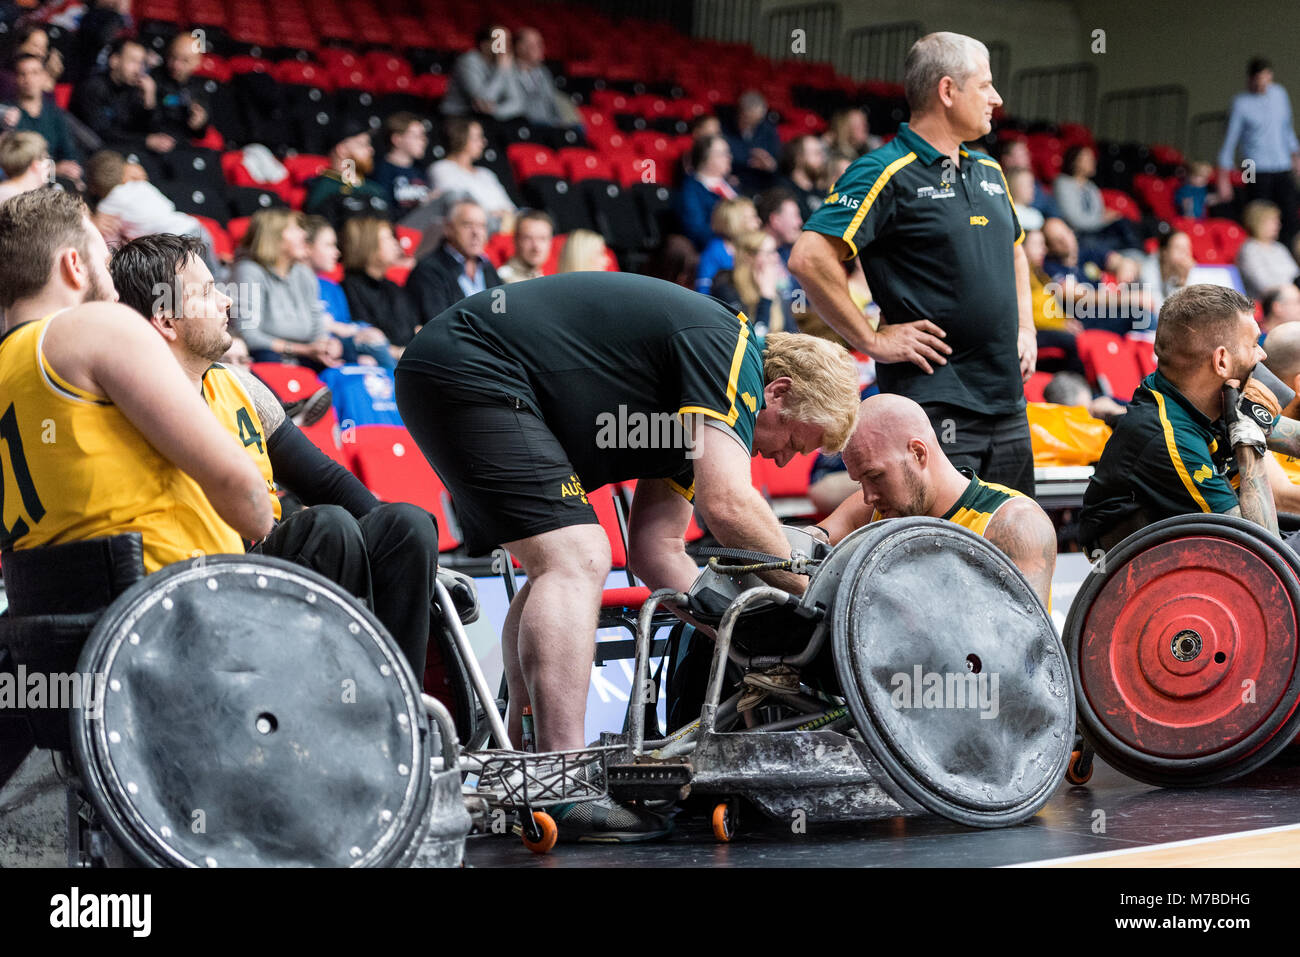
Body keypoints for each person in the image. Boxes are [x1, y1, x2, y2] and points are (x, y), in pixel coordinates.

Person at [394, 272, 860, 840]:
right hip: (473, 362)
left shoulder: (698, 412)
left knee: (561, 556)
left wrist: (743, 637)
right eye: (797, 440)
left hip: (464, 368)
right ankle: (560, 783)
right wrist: (814, 598)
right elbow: (731, 505)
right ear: (779, 392)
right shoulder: (729, 347)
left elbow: (657, 551)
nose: (786, 462)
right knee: (577, 554)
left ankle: (526, 759)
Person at [108, 232, 439, 677]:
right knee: (328, 527)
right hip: (197, 578)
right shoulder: (135, 397)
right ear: (166, 321)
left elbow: (324, 479)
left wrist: (422, 558)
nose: (227, 302)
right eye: (208, 292)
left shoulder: (239, 384)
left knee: (407, 525)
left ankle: (397, 706)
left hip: (266, 554)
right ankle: (318, 708)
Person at [790, 32, 1036, 495]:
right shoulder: (883, 169)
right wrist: (870, 339)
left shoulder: (989, 170)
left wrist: (1027, 327)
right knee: (944, 552)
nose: (996, 98)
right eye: (984, 86)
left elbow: (1016, 250)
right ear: (947, 91)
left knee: (1013, 545)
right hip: (933, 405)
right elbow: (809, 257)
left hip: (1007, 400)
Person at [0, 188, 272, 573]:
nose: (112, 278)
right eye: (106, 258)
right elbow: (239, 486)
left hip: (56, 601)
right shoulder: (94, 326)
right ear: (74, 265)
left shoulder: (9, 364)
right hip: (170, 593)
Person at [1077, 284, 1300, 554]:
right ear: (1221, 361)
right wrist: (1248, 435)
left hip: (1221, 540)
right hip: (1160, 572)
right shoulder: (1169, 438)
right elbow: (1263, 552)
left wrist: (1252, 424)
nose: (1262, 355)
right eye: (1254, 345)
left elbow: (1294, 438)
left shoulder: (1209, 392)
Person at [812, 393, 1057, 608]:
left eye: (875, 476)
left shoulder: (1015, 523)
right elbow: (805, 545)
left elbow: (1022, 644)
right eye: (860, 482)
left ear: (918, 453)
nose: (868, 496)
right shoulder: (877, 507)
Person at [231, 209, 341, 369]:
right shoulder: (248, 271)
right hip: (268, 358)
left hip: (306, 356)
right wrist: (303, 350)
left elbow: (318, 327)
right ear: (274, 236)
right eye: (296, 229)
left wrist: (327, 345)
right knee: (267, 357)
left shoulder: (304, 273)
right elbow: (248, 336)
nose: (304, 234)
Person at [1217, 57, 1300, 249]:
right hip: (1252, 165)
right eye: (1259, 79)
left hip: (1281, 163)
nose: (1263, 84)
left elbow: (1287, 129)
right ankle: (1260, 249)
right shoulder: (1240, 103)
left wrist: (1296, 155)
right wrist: (1223, 177)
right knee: (1257, 209)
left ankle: (1288, 252)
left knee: (1289, 211)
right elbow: (1230, 140)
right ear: (1251, 79)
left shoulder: (1279, 94)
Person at [303, 214, 394, 370]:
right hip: (314, 351)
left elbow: (346, 325)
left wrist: (351, 328)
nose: (337, 252)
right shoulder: (295, 285)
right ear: (308, 247)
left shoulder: (332, 287)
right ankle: (399, 388)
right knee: (374, 341)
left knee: (373, 339)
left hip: (341, 348)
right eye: (329, 245)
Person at [405, 198, 501, 331]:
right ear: (448, 228)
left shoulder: (488, 267)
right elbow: (441, 325)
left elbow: (502, 312)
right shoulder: (428, 270)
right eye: (468, 225)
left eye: (482, 226)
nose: (476, 233)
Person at [340, 215, 418, 360]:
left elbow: (414, 328)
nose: (396, 243)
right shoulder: (349, 288)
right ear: (368, 244)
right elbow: (367, 338)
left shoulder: (393, 287)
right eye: (388, 238)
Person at [70, 37, 165, 154]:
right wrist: (145, 141)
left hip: (125, 148)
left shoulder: (133, 89)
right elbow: (101, 134)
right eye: (133, 61)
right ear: (114, 61)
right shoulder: (93, 87)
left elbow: (151, 130)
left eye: (141, 63)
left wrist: (149, 100)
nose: (138, 70)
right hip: (91, 152)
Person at [427, 117, 516, 234]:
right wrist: (495, 215)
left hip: (505, 228)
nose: (484, 142)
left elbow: (511, 209)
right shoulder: (442, 168)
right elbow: (458, 206)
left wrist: (504, 216)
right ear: (461, 138)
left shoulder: (486, 173)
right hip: (476, 230)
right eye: (478, 137)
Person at [1052, 144, 1142, 258]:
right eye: (1088, 159)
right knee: (1102, 243)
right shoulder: (1062, 183)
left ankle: (1137, 251)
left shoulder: (1091, 187)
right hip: (1077, 234)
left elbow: (1099, 212)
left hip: (1096, 230)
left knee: (1122, 223)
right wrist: (1102, 219)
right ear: (1075, 161)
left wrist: (1105, 218)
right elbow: (1075, 220)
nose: (1093, 162)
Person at [4, 53, 81, 181]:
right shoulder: (6, 114)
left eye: (34, 73)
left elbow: (69, 153)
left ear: (44, 76)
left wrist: (71, 171)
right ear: (15, 78)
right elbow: (12, 162)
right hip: (19, 184)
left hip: (55, 182)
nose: (28, 79)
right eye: (23, 74)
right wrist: (53, 169)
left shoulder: (56, 113)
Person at [302, 122, 391, 229]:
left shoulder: (375, 188)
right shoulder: (324, 189)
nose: (371, 150)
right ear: (342, 149)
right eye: (363, 144)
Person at [440, 23, 525, 121]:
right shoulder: (468, 61)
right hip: (457, 117)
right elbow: (483, 100)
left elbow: (518, 103)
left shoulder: (506, 64)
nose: (506, 47)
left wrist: (495, 111)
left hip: (486, 118)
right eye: (500, 41)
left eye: (508, 42)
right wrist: (501, 70)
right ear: (484, 44)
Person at [711, 230, 787, 336]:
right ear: (749, 257)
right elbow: (752, 340)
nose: (776, 258)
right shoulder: (726, 288)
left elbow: (790, 332)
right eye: (770, 252)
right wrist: (766, 297)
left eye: (776, 251)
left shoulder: (774, 288)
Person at [674, 133, 736, 250]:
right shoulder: (690, 190)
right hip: (715, 248)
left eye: (728, 153)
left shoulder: (731, 186)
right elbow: (696, 230)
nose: (729, 157)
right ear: (704, 158)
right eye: (723, 154)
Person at [150, 31, 210, 149]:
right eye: (173, 57)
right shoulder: (153, 79)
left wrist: (199, 123)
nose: (176, 65)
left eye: (185, 60)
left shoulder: (199, 87)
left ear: (197, 63)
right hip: (153, 142)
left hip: (182, 147)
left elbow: (200, 134)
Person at [372, 112, 431, 223]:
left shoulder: (421, 170)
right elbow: (385, 211)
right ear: (397, 139)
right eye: (417, 136)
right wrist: (423, 205)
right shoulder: (381, 172)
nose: (424, 141)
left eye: (424, 136)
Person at [1236, 199, 1300, 300]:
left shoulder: (1279, 248)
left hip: (1291, 296)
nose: (1278, 225)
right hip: (1266, 301)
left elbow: (1295, 275)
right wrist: (1290, 289)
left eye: (1277, 221)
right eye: (1272, 221)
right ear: (1257, 222)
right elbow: (1263, 284)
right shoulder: (1249, 249)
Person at [694, 196, 758, 294]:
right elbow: (703, 291)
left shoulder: (750, 248)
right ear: (734, 221)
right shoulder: (715, 251)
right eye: (751, 218)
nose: (758, 222)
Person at [723, 90, 780, 194]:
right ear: (741, 114)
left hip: (762, 183)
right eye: (750, 120)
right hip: (735, 184)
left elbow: (777, 163)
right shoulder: (725, 130)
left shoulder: (767, 130)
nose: (754, 125)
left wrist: (770, 165)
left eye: (758, 120)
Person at [512, 27, 569, 129]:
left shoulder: (543, 72)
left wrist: (560, 123)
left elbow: (552, 103)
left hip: (549, 127)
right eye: (534, 44)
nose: (540, 48)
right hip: (523, 127)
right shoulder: (507, 72)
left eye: (540, 44)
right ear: (519, 47)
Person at [777, 134, 828, 223]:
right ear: (799, 157)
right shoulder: (784, 190)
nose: (822, 159)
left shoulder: (822, 192)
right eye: (816, 153)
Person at [497, 208, 553, 283]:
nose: (536, 247)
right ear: (516, 240)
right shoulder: (501, 279)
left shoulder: (547, 279)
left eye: (542, 239)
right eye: (528, 238)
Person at [0, 131, 52, 204]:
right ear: (36, 164)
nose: (49, 165)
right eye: (46, 157)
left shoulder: (6, 192)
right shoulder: (17, 200)